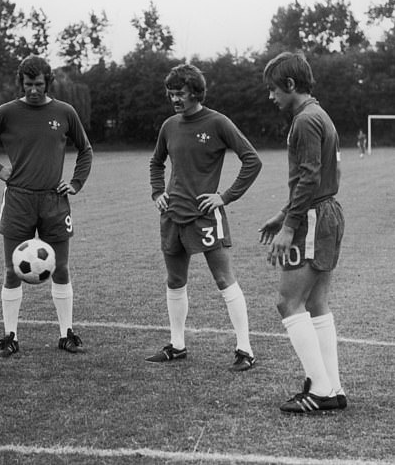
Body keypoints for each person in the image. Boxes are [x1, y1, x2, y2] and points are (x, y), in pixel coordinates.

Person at [0, 55, 93, 357]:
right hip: (18, 199)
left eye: (38, 84)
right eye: (28, 84)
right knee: (11, 270)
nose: (33, 90)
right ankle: (10, 337)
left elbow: (85, 150)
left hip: (54, 200)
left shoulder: (65, 112)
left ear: (48, 82)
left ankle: (67, 334)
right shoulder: (6, 112)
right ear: (20, 83)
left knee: (61, 267)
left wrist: (75, 183)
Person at [147, 64, 262, 371]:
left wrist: (224, 197)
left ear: (195, 92)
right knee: (175, 281)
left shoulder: (218, 122)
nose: (174, 99)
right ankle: (177, 345)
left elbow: (252, 160)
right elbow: (156, 162)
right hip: (173, 216)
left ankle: (245, 350)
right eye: (170, 93)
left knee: (224, 280)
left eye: (180, 93)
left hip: (206, 217)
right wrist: (158, 192)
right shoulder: (169, 125)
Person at [259, 51, 346, 413]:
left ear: (290, 85)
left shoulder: (305, 120)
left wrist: (291, 225)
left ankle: (321, 389)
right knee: (315, 303)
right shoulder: (318, 114)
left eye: (273, 89)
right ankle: (332, 387)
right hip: (325, 212)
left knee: (288, 302)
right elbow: (320, 175)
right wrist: (283, 214)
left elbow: (309, 176)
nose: (271, 96)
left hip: (312, 217)